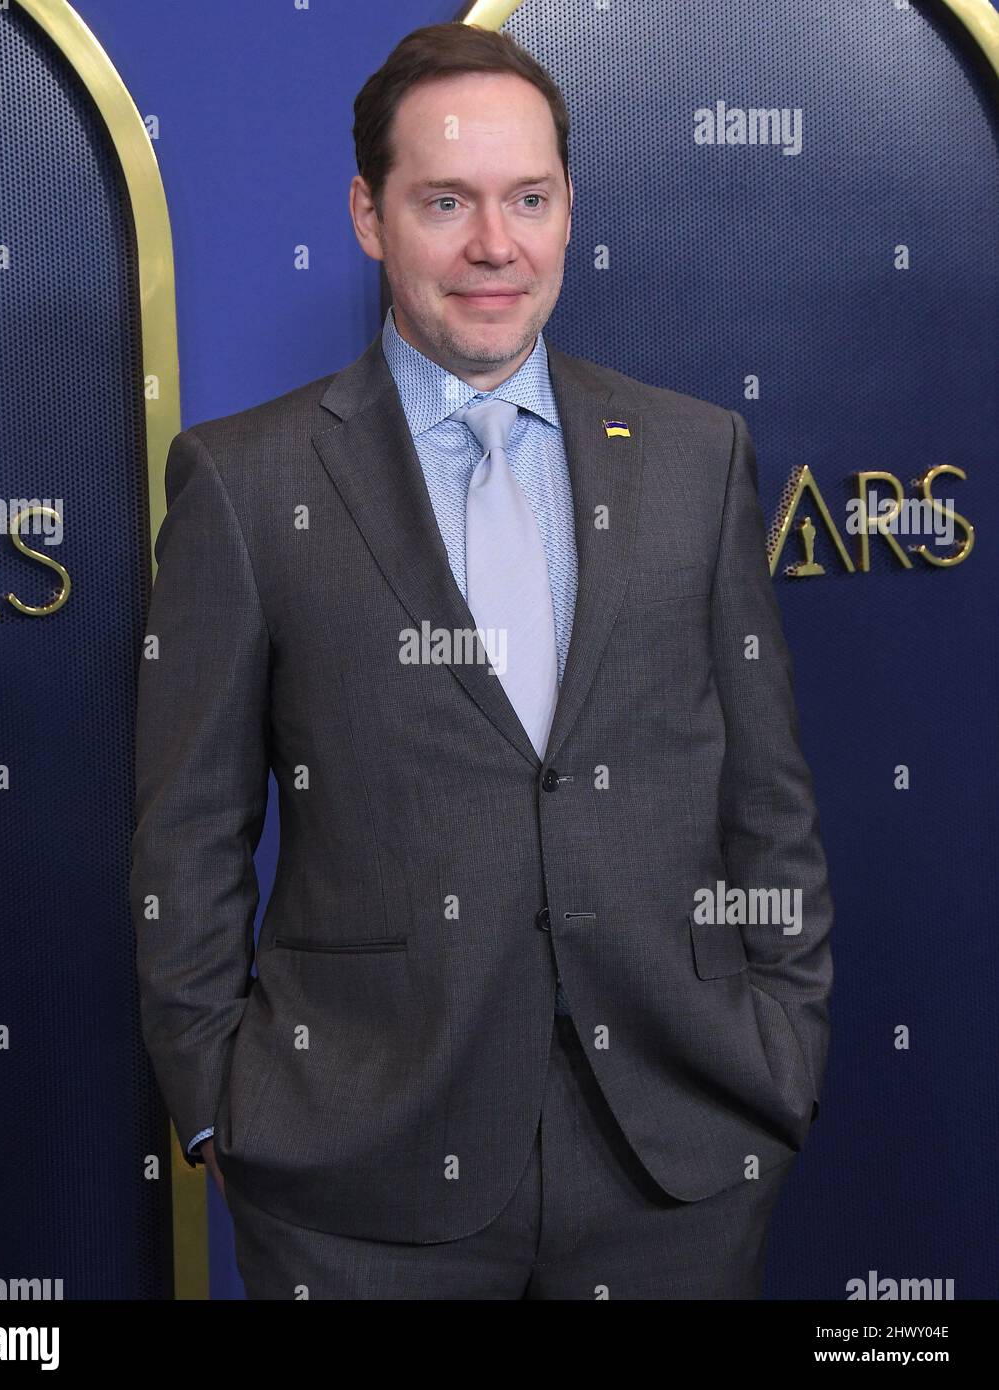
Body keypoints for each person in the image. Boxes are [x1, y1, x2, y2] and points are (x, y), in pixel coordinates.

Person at [131, 21, 833, 1300]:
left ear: (568, 212)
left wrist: (779, 1048)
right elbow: (187, 835)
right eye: (444, 201)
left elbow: (765, 801)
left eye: (528, 199)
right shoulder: (245, 484)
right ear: (367, 214)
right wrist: (218, 1105)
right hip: (357, 1171)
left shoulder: (694, 457)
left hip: (672, 1157)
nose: (493, 246)